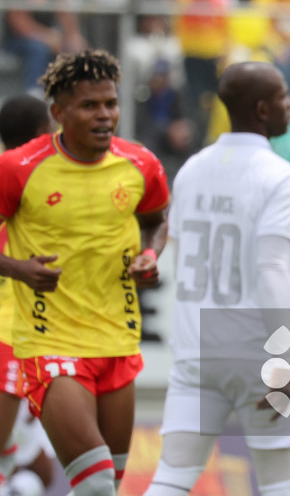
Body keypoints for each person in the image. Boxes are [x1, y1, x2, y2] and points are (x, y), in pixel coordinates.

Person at [0, 49, 170, 495]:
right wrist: (19, 269)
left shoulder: (141, 165)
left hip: (117, 340)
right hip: (50, 344)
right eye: (89, 106)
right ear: (58, 113)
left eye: (110, 104)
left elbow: (155, 221)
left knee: (104, 488)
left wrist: (151, 256)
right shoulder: (18, 169)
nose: (104, 115)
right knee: (94, 485)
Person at [144, 61, 290, 496]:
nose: (289, 104)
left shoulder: (193, 168)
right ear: (261, 108)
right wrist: (284, 358)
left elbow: (173, 240)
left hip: (195, 351)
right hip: (255, 351)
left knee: (171, 478)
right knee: (283, 483)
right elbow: (270, 269)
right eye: (283, 96)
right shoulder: (282, 177)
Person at [0, 94, 56, 496]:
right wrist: (19, 269)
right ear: (43, 134)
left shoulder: (47, 190)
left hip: (30, 346)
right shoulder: (19, 186)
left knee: (42, 474)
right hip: (8, 342)